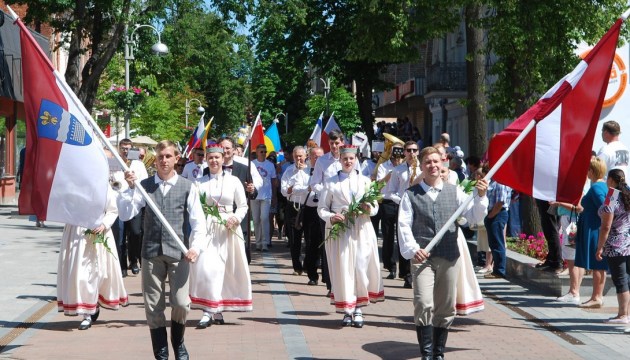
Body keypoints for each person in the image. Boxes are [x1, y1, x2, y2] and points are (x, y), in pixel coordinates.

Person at [117, 140, 206, 360]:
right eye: (160, 157)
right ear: (154, 160)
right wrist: (129, 189)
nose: (164, 161)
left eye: (168, 156)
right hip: (151, 253)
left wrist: (195, 247)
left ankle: (178, 341)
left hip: (179, 253)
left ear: (176, 159)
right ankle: (161, 352)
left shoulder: (188, 186)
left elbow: (198, 223)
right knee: (153, 306)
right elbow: (126, 214)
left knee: (181, 303)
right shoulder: (144, 186)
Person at [398, 146, 488, 360]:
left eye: (436, 162)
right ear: (422, 165)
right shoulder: (411, 194)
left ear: (443, 163)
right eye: (428, 162)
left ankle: (439, 352)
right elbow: (403, 225)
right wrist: (413, 249)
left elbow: (473, 219)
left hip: (449, 256)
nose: (432, 166)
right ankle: (426, 353)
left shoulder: (455, 192)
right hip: (423, 257)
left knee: (446, 305)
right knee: (423, 302)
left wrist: (481, 197)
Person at [317, 145, 384, 328]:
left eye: (351, 159)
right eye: (345, 159)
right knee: (344, 269)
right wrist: (332, 216)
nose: (348, 162)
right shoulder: (331, 182)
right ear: (340, 160)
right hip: (341, 230)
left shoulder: (365, 181)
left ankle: (359, 308)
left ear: (356, 161)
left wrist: (368, 208)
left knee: (360, 267)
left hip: (361, 229)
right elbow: (322, 208)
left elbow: (376, 207)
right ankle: (347, 310)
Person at [190, 144, 252, 328]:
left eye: (217, 157)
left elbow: (243, 205)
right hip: (207, 228)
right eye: (210, 158)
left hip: (228, 229)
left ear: (223, 158)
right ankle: (208, 310)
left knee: (224, 270)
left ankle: (216, 309)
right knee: (208, 268)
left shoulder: (233, 181)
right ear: (206, 160)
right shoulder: (199, 183)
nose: (214, 161)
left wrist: (236, 218)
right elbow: (194, 208)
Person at [57, 187, 128, 330]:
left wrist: (104, 224)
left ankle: (93, 305)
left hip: (98, 232)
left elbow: (112, 209)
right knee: (80, 274)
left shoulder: (103, 184)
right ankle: (87, 313)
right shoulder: (73, 185)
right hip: (76, 233)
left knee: (98, 272)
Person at [309, 129, 359, 293]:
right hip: (329, 207)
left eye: (337, 143)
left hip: (349, 209)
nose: (334, 146)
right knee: (330, 245)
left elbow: (357, 181)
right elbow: (314, 183)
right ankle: (331, 285)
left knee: (348, 247)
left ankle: (348, 283)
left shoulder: (351, 159)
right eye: (331, 143)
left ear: (342, 142)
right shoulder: (322, 161)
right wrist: (326, 190)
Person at [208, 137, 257, 264]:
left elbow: (253, 194)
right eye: (222, 148)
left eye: (228, 148)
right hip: (216, 217)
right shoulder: (208, 169)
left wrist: (252, 190)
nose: (225, 151)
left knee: (242, 252)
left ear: (234, 150)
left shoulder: (244, 168)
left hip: (239, 215)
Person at [382, 140, 420, 288]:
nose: (412, 153)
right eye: (409, 150)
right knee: (404, 239)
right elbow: (391, 192)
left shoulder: (422, 168)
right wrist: (403, 200)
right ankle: (407, 274)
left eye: (414, 150)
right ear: (404, 152)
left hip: (420, 208)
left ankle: (418, 272)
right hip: (403, 208)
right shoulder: (398, 170)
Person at [596, 169, 630, 325]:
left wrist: (600, 247)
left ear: (610, 180)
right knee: (627, 279)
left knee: (621, 280)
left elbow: (606, 226)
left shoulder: (612, 198)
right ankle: (626, 314)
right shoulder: (628, 194)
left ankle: (623, 315)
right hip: (628, 242)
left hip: (615, 245)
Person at [574, 157, 609, 308]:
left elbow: (606, 210)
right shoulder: (601, 186)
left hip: (595, 229)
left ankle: (597, 296)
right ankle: (597, 296)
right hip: (595, 227)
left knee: (597, 264)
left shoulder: (596, 188)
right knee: (598, 265)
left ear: (592, 171)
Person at [113, 138, 148, 277]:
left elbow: (144, 182)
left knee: (135, 233)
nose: (125, 151)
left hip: (135, 203)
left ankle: (133, 261)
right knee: (119, 236)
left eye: (128, 148)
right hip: (118, 203)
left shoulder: (139, 165)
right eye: (123, 148)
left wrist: (134, 183)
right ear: (119, 149)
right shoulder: (114, 163)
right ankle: (122, 267)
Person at [281, 146, 309, 276]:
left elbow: (311, 188)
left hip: (308, 206)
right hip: (293, 206)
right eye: (296, 156)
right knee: (294, 239)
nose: (299, 159)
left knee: (310, 238)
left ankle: (309, 265)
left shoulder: (310, 170)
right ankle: (297, 266)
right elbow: (284, 190)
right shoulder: (288, 171)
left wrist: (302, 175)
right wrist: (292, 187)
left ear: (305, 156)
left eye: (301, 156)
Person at [302, 147, 325, 285]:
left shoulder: (327, 171)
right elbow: (293, 191)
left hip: (325, 209)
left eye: (320, 156)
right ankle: (312, 275)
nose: (317, 159)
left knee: (325, 242)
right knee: (311, 243)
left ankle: (327, 276)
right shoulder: (303, 172)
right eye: (314, 156)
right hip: (310, 210)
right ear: (309, 157)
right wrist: (307, 187)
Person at [482, 172, 511, 279]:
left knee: (498, 243)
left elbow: (500, 202)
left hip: (498, 214)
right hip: (494, 214)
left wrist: (490, 216)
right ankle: (497, 270)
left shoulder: (500, 182)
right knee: (494, 243)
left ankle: (499, 271)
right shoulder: (494, 181)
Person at [251, 144, 278, 251]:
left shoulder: (270, 165)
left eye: (264, 151)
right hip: (254, 195)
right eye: (261, 151)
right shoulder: (252, 164)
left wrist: (274, 196)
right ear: (257, 152)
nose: (263, 153)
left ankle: (265, 242)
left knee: (265, 218)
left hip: (266, 196)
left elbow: (273, 181)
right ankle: (258, 242)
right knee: (256, 220)